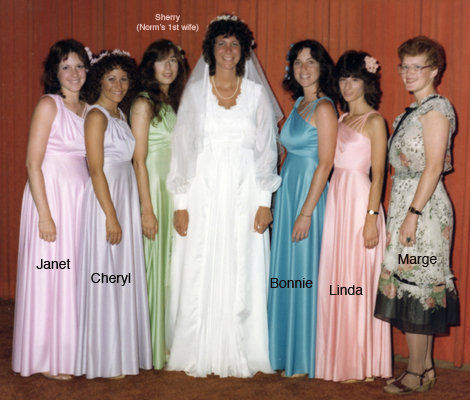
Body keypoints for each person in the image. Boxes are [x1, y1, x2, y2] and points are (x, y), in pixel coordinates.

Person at [165, 14, 282, 378]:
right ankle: (196, 345)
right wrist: (181, 205)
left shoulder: (257, 95)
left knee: (243, 262)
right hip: (203, 192)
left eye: (234, 44)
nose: (228, 50)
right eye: (221, 43)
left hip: (246, 193)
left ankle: (244, 346)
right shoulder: (196, 94)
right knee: (200, 262)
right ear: (210, 50)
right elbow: (182, 151)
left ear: (244, 50)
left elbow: (266, 152)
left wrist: (265, 203)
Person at [374, 36, 459, 394]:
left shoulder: (436, 110)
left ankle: (417, 371)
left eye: (417, 67)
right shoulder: (412, 111)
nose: (408, 74)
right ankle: (423, 369)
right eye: (404, 67)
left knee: (418, 286)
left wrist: (412, 215)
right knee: (410, 285)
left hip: (424, 212)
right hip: (407, 207)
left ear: (434, 70)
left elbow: (434, 167)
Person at [12, 40, 90, 380]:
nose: (74, 73)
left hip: (79, 201)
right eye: (65, 66)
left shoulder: (90, 109)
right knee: (50, 272)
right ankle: (45, 357)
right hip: (50, 199)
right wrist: (44, 215)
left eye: (79, 65)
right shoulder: (49, 105)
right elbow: (33, 163)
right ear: (54, 72)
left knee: (72, 275)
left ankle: (70, 352)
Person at [315, 50, 392, 382]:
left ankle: (361, 362)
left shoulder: (375, 121)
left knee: (357, 281)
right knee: (338, 278)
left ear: (366, 83)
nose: (348, 86)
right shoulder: (341, 119)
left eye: (355, 79)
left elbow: (379, 174)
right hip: (337, 201)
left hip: (361, 203)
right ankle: (340, 357)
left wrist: (371, 219)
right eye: (344, 79)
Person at [75, 49, 152, 379]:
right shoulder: (96, 116)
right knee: (106, 273)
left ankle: (122, 352)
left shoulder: (119, 114)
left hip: (125, 194)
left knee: (121, 273)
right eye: (111, 78)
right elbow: (95, 169)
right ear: (99, 81)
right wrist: (110, 215)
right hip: (105, 199)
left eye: (123, 78)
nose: (118, 85)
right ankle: (104, 359)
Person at [267, 40, 337, 378]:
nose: (303, 68)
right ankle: (284, 348)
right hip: (288, 192)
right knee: (287, 271)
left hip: (309, 195)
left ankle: (304, 355)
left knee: (303, 271)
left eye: (311, 62)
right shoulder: (298, 104)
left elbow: (325, 163)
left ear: (322, 67)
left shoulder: (324, 108)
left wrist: (307, 212)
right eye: (297, 62)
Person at [130, 39, 187, 370]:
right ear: (150, 66)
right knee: (153, 264)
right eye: (162, 61)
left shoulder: (173, 103)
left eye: (174, 61)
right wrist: (147, 209)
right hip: (152, 191)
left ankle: (164, 341)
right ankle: (148, 345)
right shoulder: (143, 103)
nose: (168, 67)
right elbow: (138, 160)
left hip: (172, 192)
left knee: (169, 267)